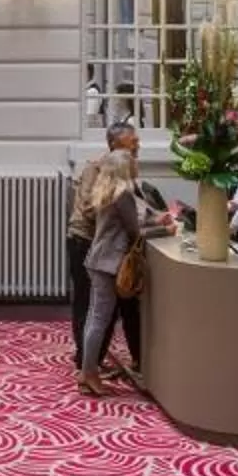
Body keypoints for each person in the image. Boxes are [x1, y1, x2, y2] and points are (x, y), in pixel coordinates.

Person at [69, 121, 151, 376]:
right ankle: (86, 363)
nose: (137, 144)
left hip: (105, 248)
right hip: (86, 241)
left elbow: (137, 208)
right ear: (116, 144)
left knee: (109, 310)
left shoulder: (124, 172)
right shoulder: (99, 170)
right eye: (132, 140)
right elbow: (90, 210)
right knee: (90, 307)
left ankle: (95, 363)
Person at [79, 162, 166, 399]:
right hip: (109, 263)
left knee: (94, 317)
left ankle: (87, 371)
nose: (137, 165)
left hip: (98, 259)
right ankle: (89, 374)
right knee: (99, 319)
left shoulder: (106, 190)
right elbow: (134, 229)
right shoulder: (123, 193)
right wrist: (161, 225)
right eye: (132, 162)